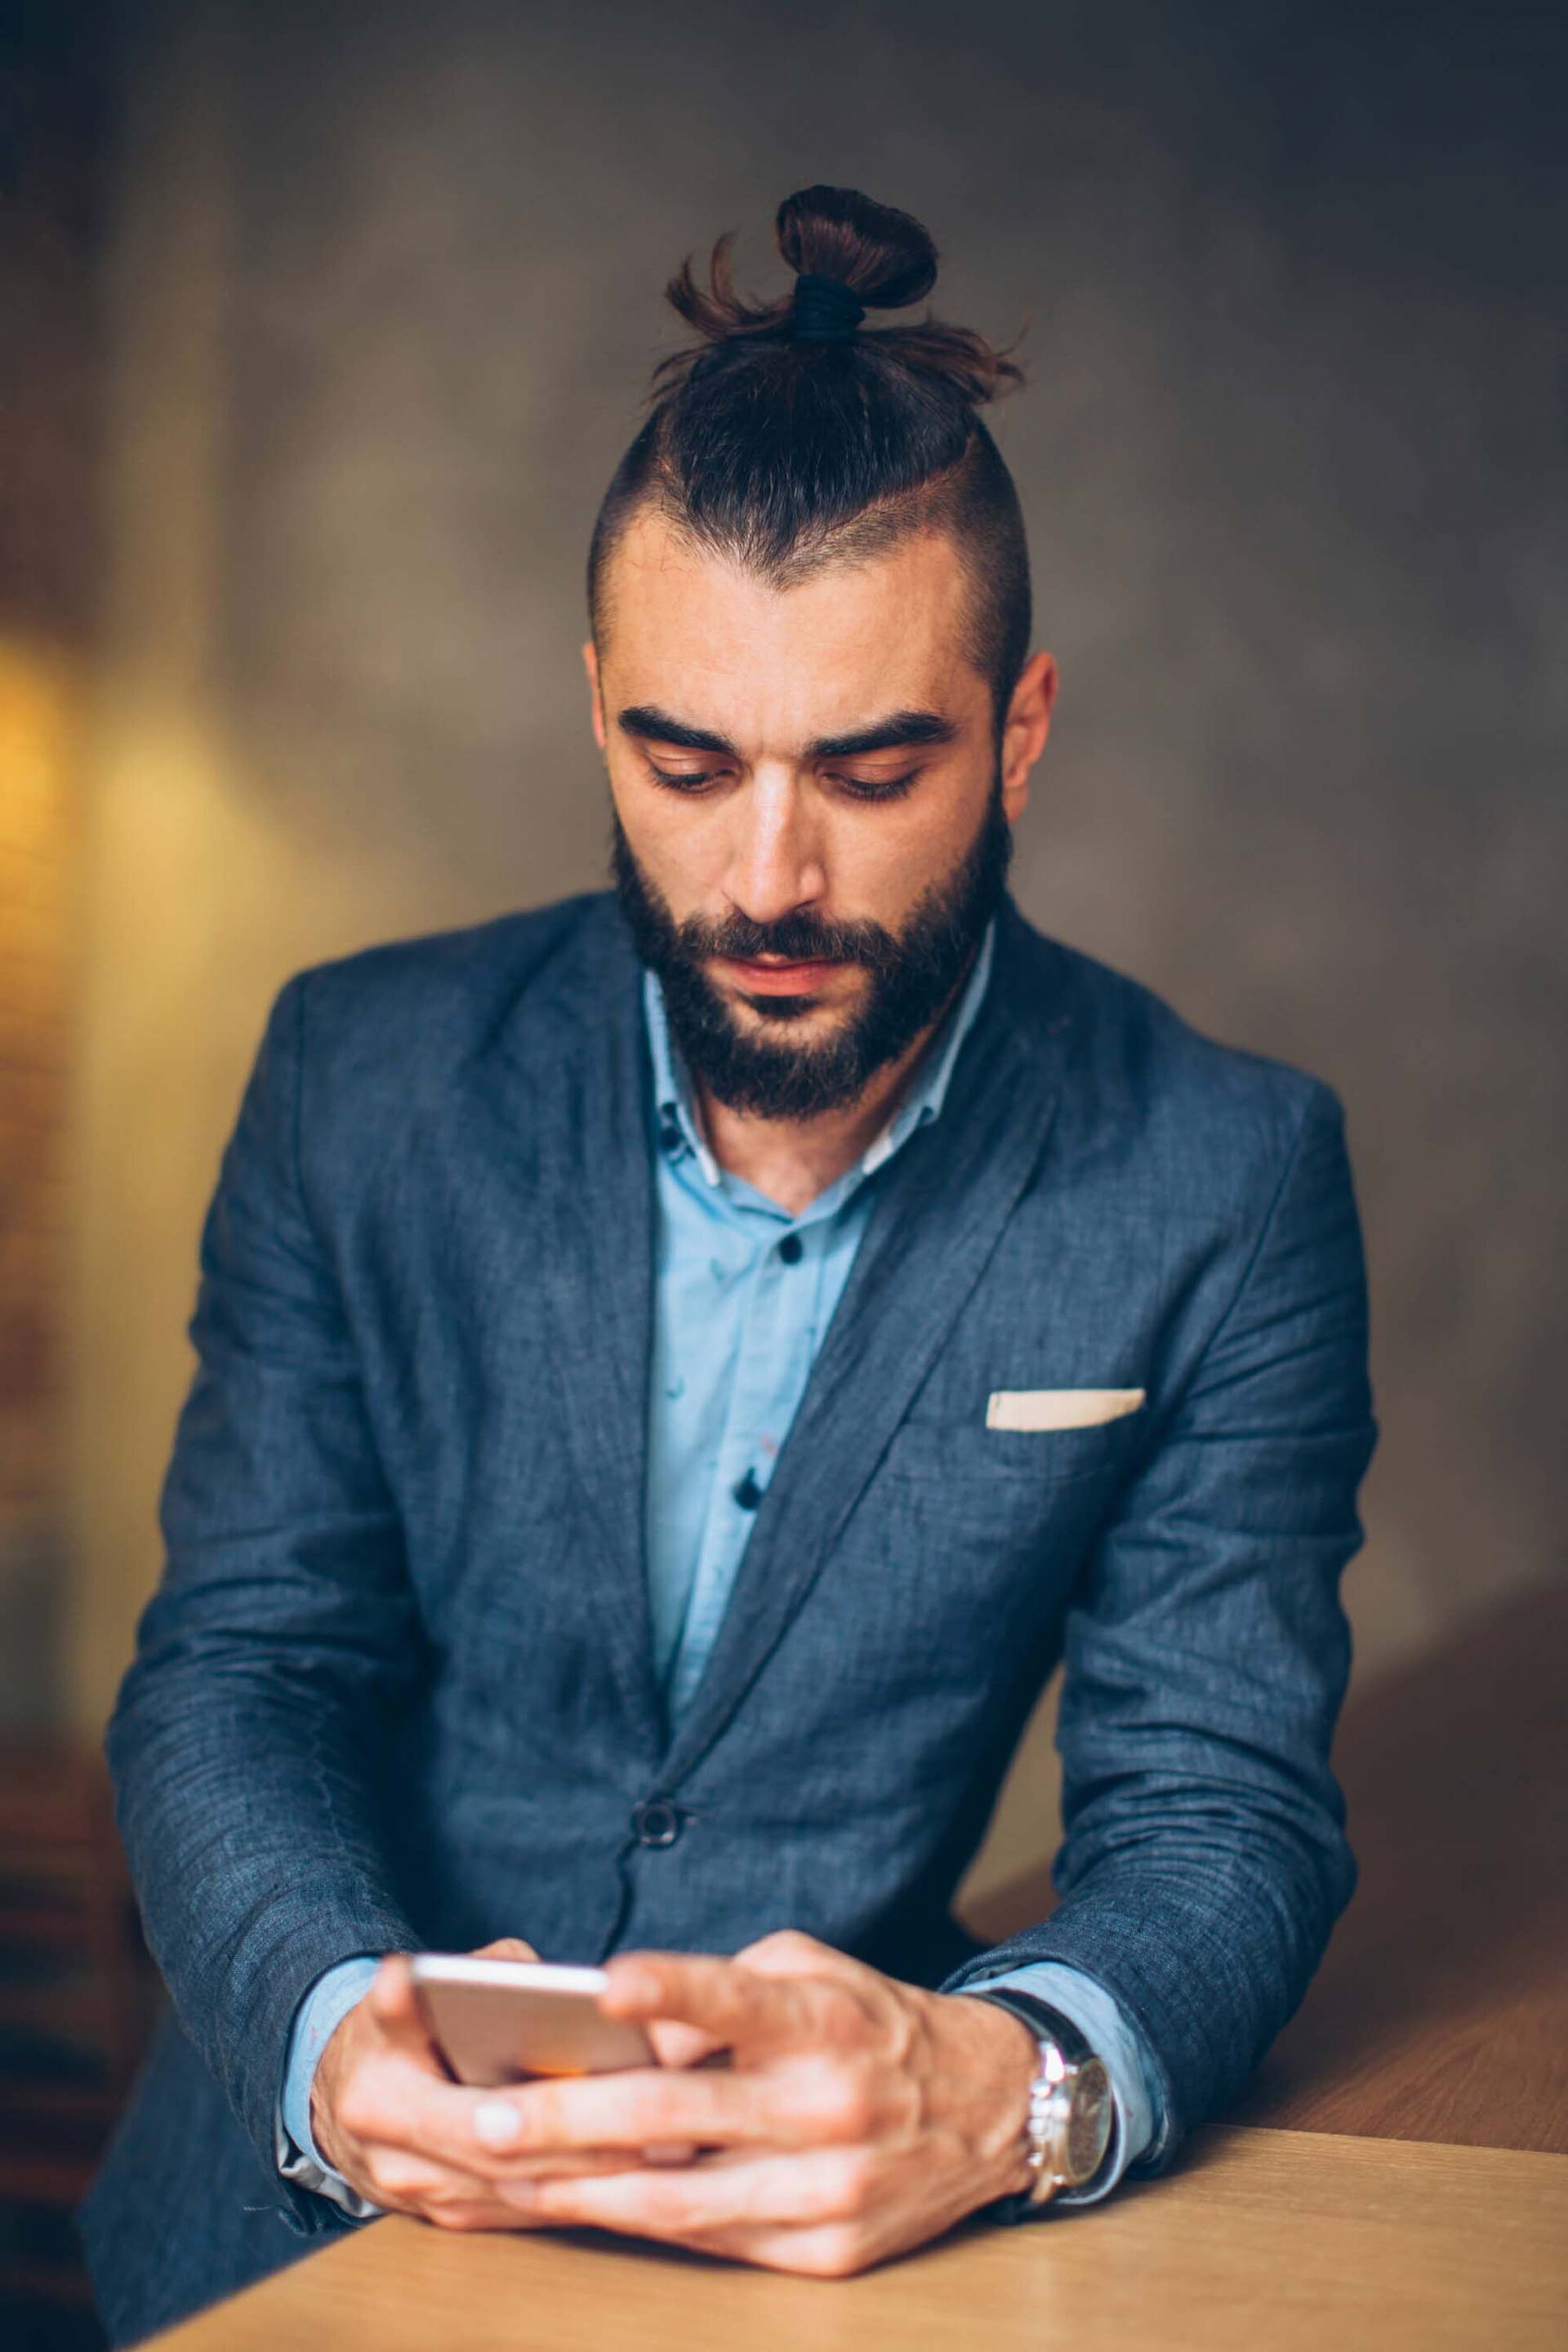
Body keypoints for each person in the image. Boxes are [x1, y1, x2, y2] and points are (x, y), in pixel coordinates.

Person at [79, 186, 1377, 2345]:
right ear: (599, 713)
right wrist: (326, 2036)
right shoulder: (357, 1074)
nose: (769, 878)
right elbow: (243, 1665)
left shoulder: (1226, 1175)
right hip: (284, 2258)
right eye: (689, 764)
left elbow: (1221, 1809)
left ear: (1020, 731)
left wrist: (1015, 2087)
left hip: (836, 2283)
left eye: (873, 771)